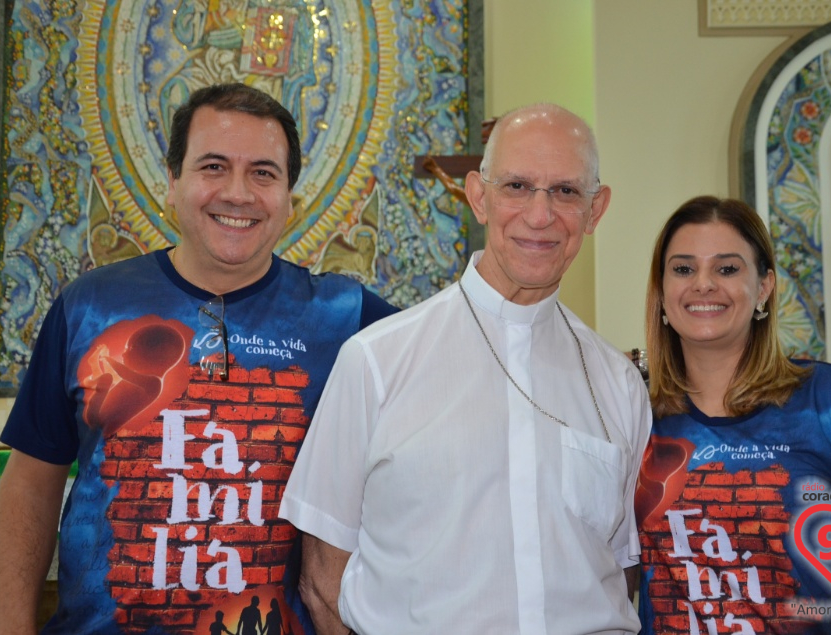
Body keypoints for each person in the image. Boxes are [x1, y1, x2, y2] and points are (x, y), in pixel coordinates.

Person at [0, 82, 398, 634]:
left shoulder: (350, 320)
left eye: (263, 173)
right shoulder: (88, 308)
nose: (238, 192)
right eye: (212, 166)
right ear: (172, 184)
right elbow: (32, 487)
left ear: (290, 199)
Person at [279, 103, 652, 634]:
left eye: (566, 191)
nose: (540, 215)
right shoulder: (377, 361)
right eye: (517, 186)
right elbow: (322, 581)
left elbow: (619, 572)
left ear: (596, 210)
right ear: (479, 196)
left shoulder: (616, 383)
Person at [636, 196, 831, 634]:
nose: (703, 284)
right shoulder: (630, 412)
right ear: (661, 292)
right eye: (683, 268)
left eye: (727, 268)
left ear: (764, 287)